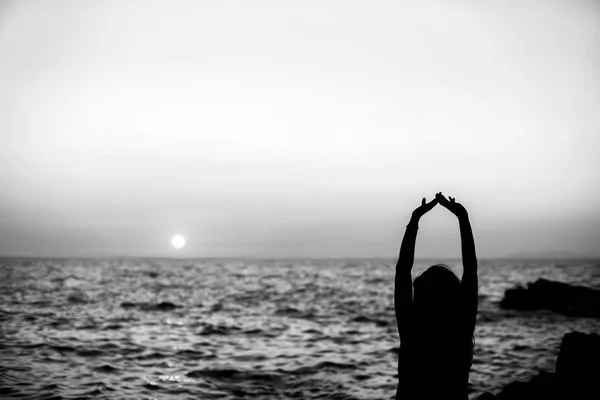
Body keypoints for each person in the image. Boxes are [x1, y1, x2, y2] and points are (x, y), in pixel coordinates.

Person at [394, 192, 478, 400]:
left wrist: (414, 221)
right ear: (454, 296)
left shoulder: (411, 328)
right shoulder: (461, 328)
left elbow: (403, 270)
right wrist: (462, 218)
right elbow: (470, 269)